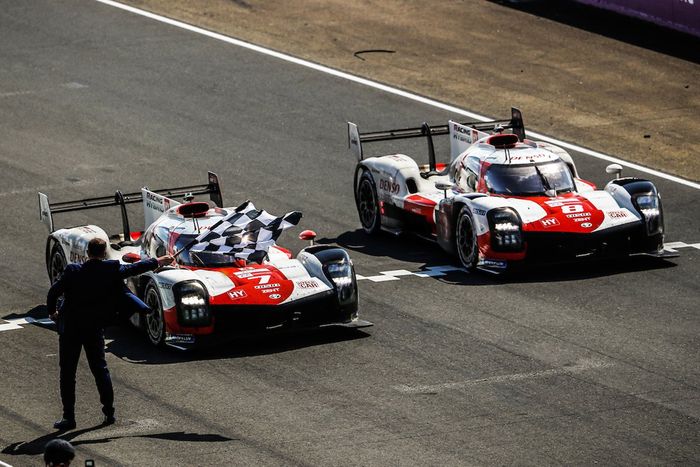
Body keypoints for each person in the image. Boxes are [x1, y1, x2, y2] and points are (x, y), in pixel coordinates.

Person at [47, 237, 173, 430]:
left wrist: (53, 313)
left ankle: (68, 417)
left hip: (71, 328)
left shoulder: (73, 271)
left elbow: (53, 292)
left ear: (88, 253)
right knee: (99, 369)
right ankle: (109, 412)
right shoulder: (110, 270)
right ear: (104, 253)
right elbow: (134, 269)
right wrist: (158, 261)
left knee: (67, 373)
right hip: (94, 327)